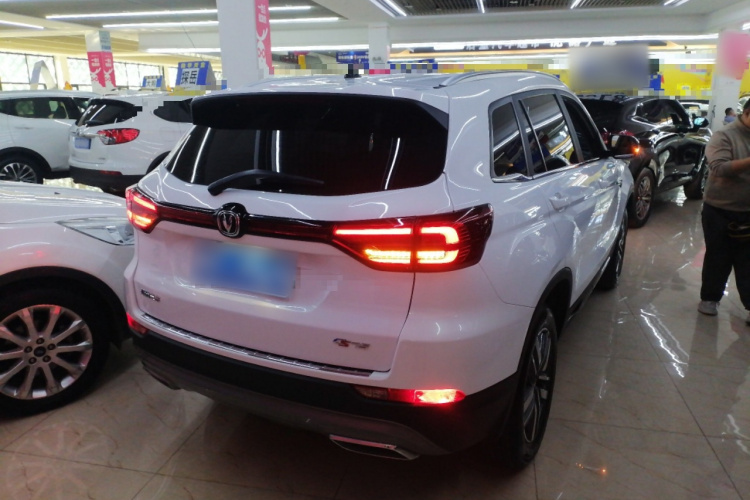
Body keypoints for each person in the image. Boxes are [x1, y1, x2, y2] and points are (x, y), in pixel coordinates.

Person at [698, 99, 750, 324]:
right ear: (747, 113)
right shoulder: (724, 136)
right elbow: (719, 168)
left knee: (748, 261)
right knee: (719, 256)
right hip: (720, 209)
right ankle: (710, 298)